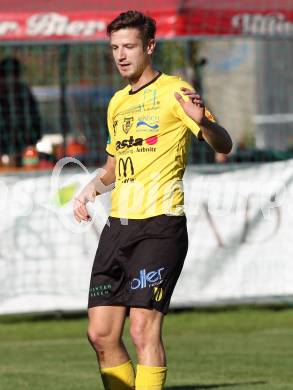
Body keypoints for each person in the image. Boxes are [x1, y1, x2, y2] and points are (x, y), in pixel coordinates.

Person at [73, 10, 232, 390]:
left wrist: (206, 122)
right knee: (101, 334)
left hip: (160, 226)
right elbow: (113, 168)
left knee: (143, 329)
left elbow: (224, 144)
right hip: (118, 229)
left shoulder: (175, 91)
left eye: (129, 46)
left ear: (149, 46)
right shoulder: (116, 103)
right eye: (114, 48)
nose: (121, 55)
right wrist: (90, 189)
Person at [0, 57, 42, 166]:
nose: (10, 81)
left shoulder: (24, 93)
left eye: (14, 76)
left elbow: (36, 124)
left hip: (25, 154)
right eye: (6, 77)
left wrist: (28, 146)